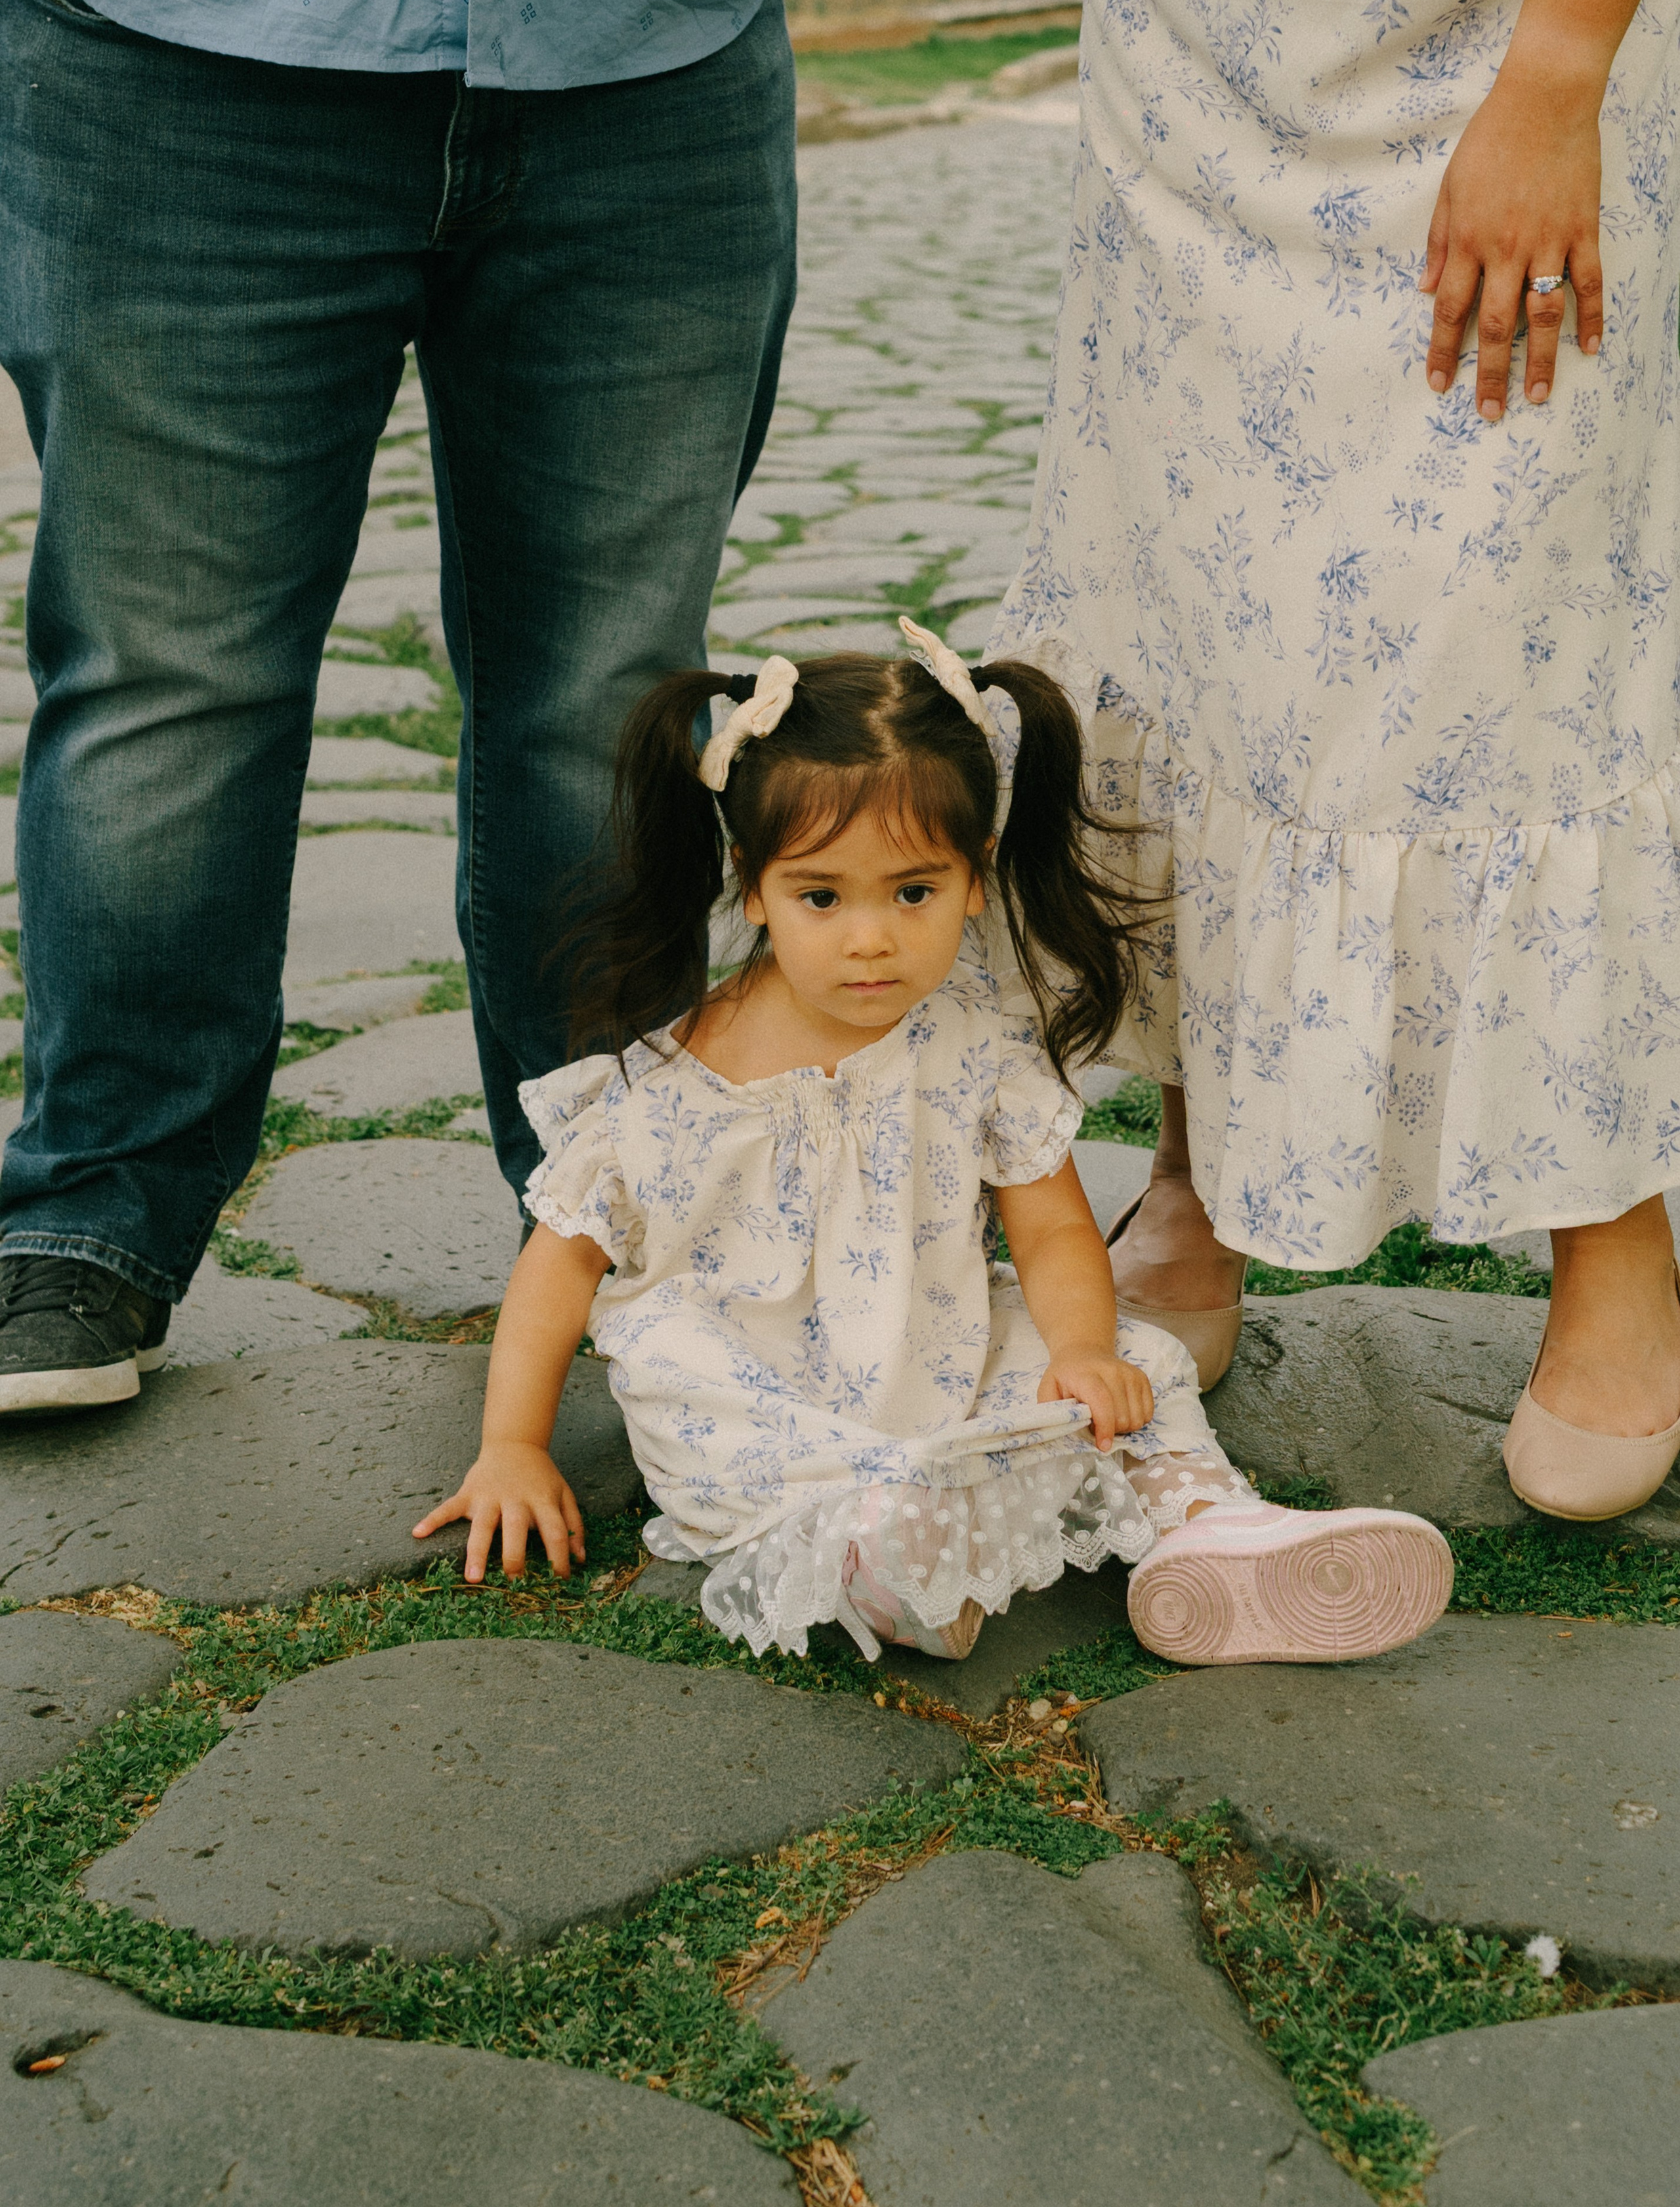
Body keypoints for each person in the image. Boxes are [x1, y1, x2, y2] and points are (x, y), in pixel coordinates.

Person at [0, 0, 795, 1410]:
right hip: (172, 1)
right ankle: (94, 1211)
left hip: (646, 5)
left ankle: (617, 1205)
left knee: (613, 697)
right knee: (171, 674)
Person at [996, 0, 1680, 1523]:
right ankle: (1199, 1167)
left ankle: (1608, 1228)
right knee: (1195, 619)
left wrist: (1556, 70)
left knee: (1509, 631)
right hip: (1192, 44)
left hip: (1501, 2)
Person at [415, 626, 1453, 1665]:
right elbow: (558, 1268)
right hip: (755, 1377)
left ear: (974, 877)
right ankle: (880, 1559)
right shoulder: (668, 1085)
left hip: (936, 1335)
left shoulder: (974, 1040)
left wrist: (1083, 1351)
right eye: (822, 897)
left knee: (1136, 1358)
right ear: (753, 884)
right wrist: (512, 1445)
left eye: (914, 892)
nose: (871, 938)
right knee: (694, 1391)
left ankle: (1206, 1527)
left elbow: (1050, 1231)